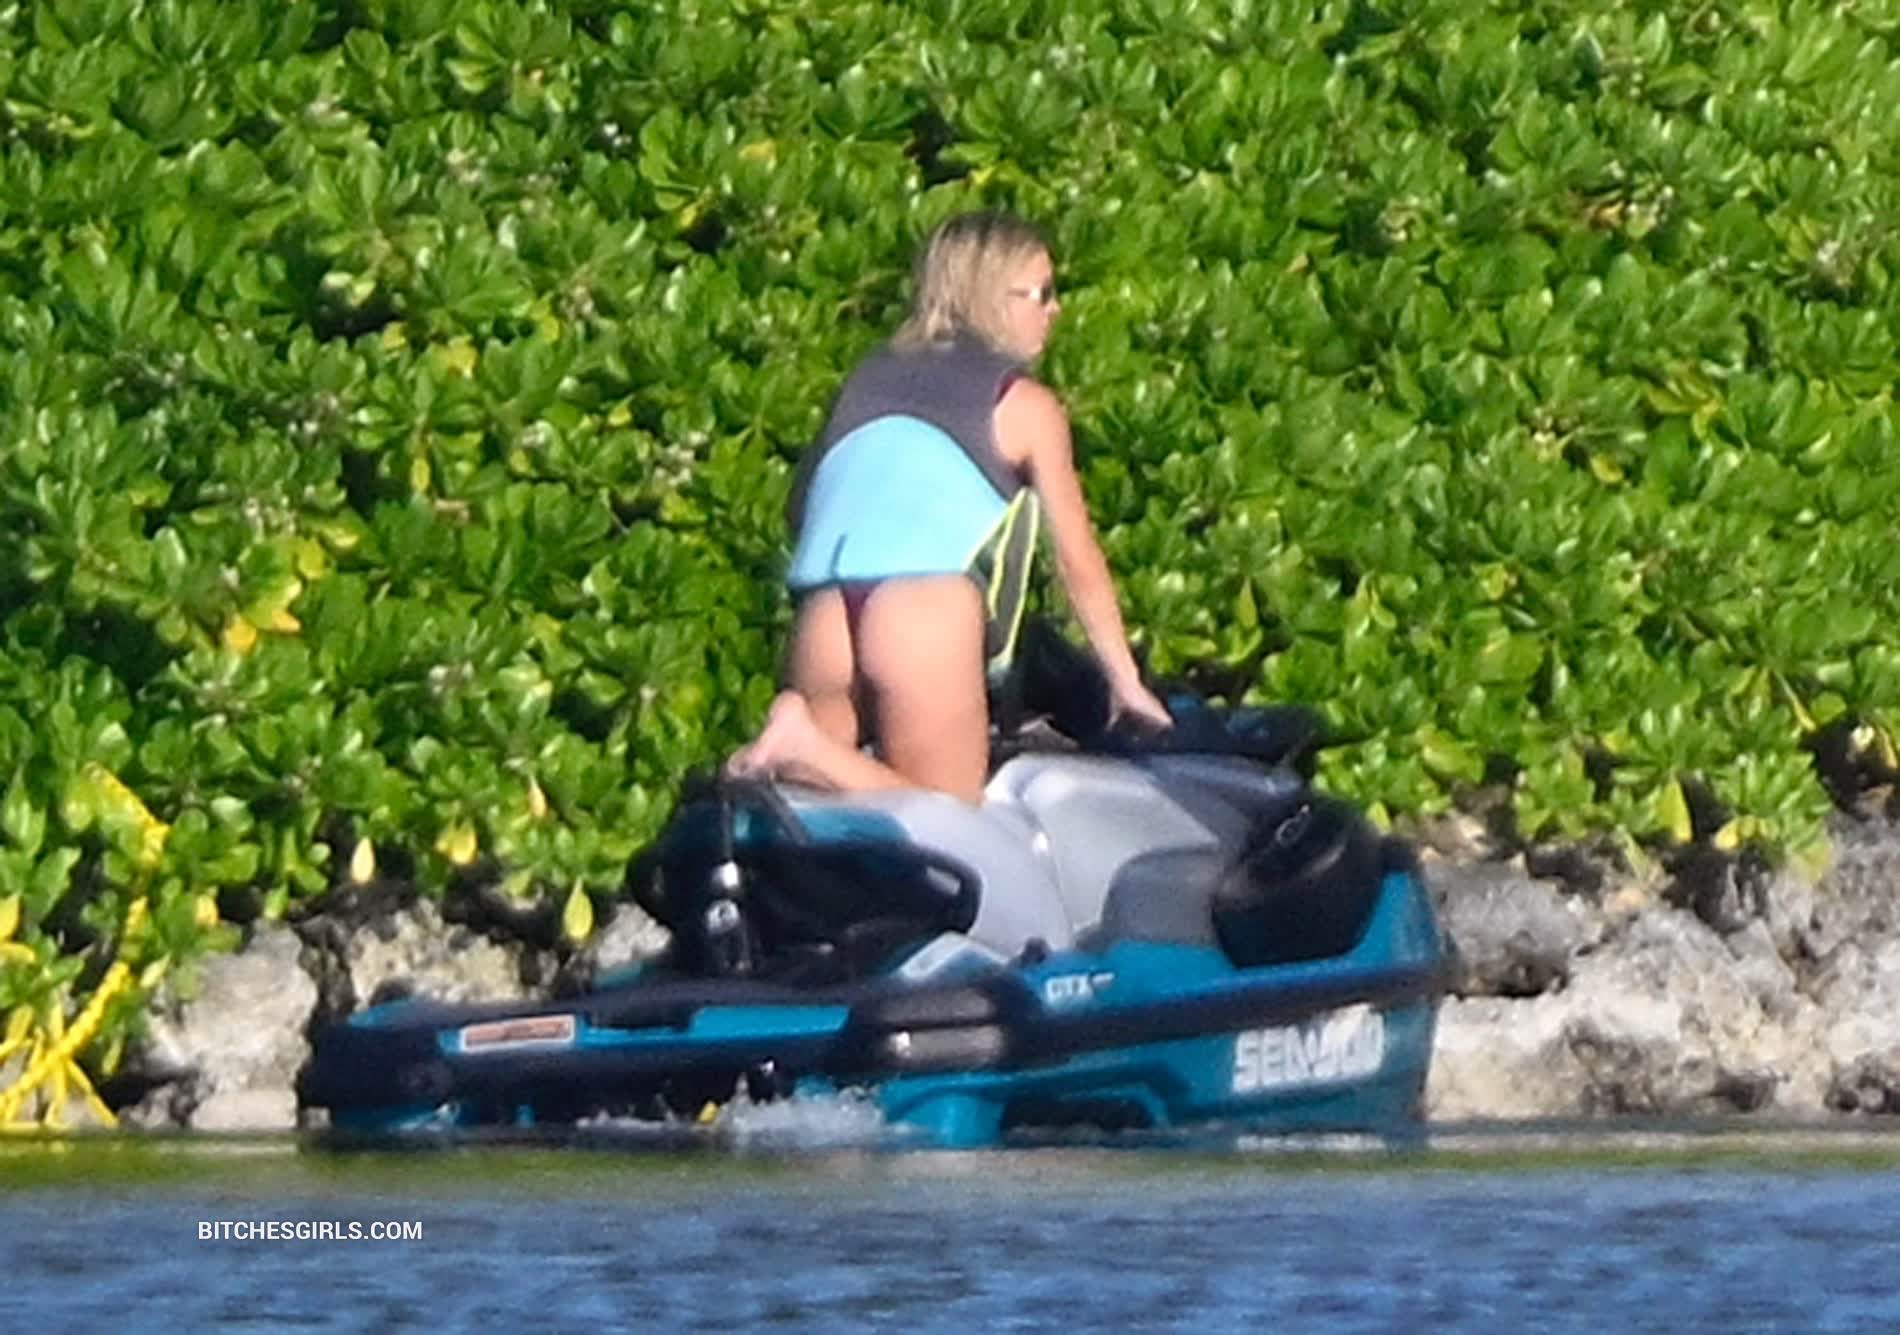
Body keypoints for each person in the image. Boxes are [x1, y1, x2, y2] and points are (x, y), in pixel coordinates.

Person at [727, 211, 1170, 803]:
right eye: (1041, 293)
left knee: (821, 795)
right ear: (991, 297)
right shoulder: (1022, 404)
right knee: (946, 808)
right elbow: (1075, 556)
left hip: (828, 610)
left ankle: (796, 744)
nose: (1055, 309)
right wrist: (1125, 682)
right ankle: (801, 746)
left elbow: (802, 507)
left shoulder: (865, 379)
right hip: (926, 610)